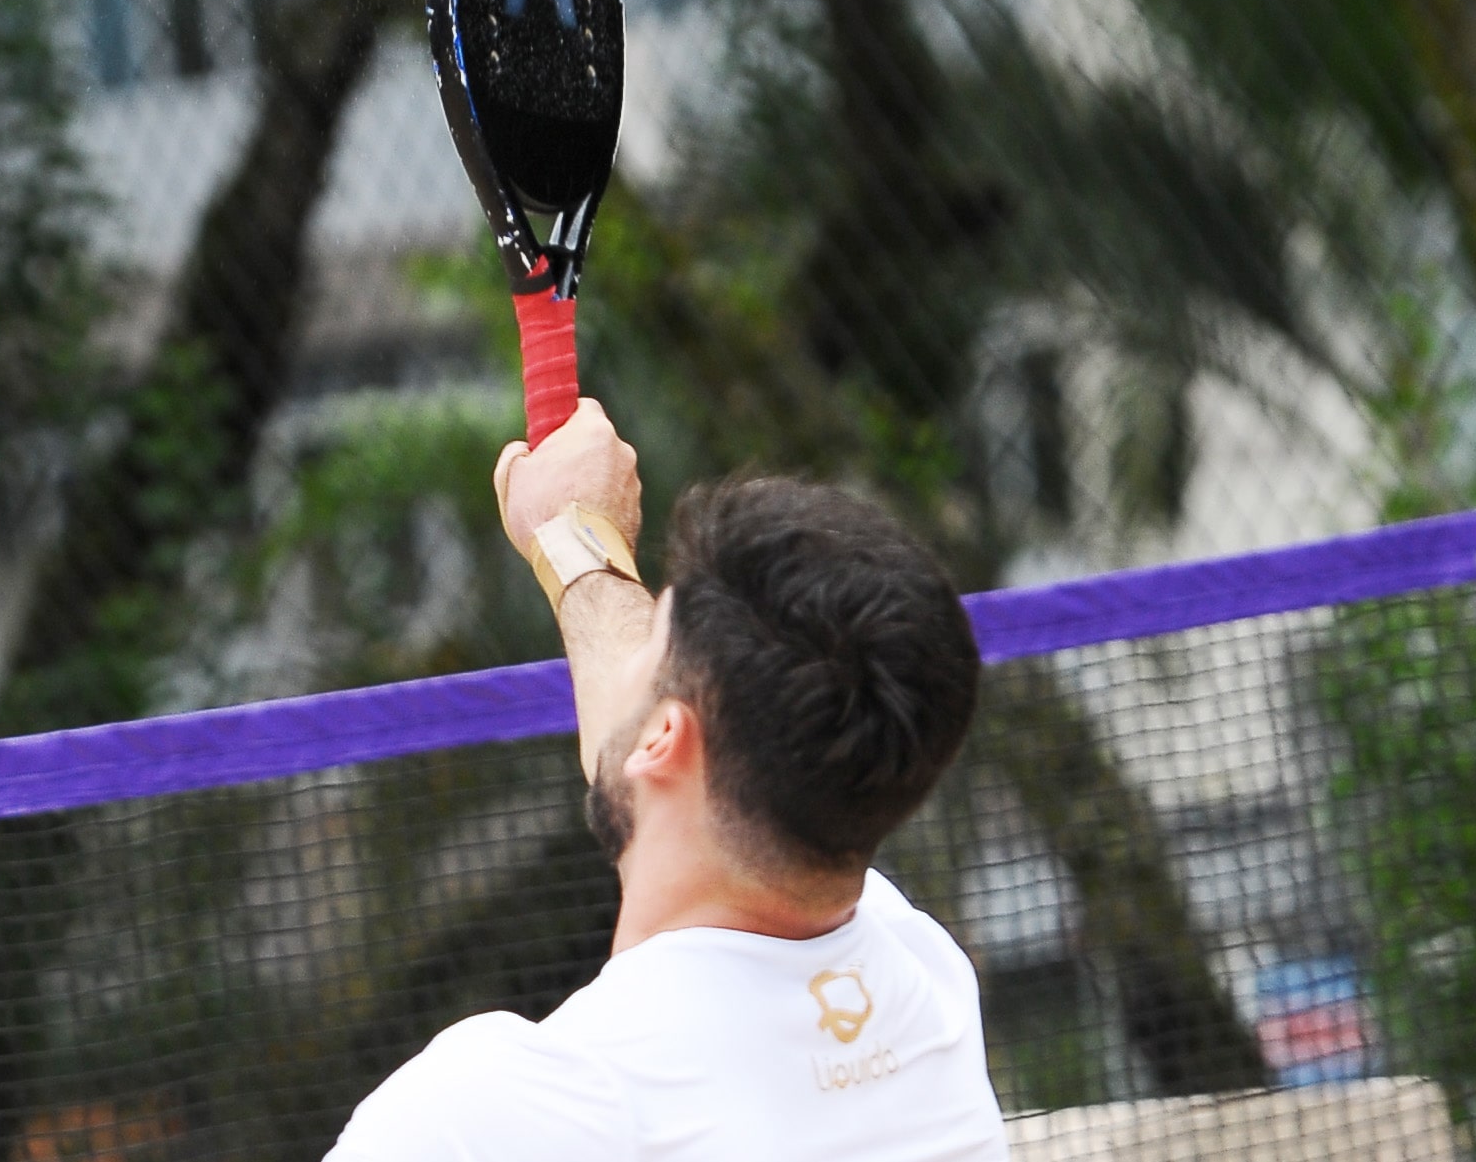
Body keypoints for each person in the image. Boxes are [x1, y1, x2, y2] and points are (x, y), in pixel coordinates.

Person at [326, 400, 1008, 1161]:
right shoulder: (923, 987)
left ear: (663, 738)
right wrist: (575, 537)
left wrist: (578, 537)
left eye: (652, 638)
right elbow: (650, 765)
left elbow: (642, 763)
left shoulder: (496, 1113)